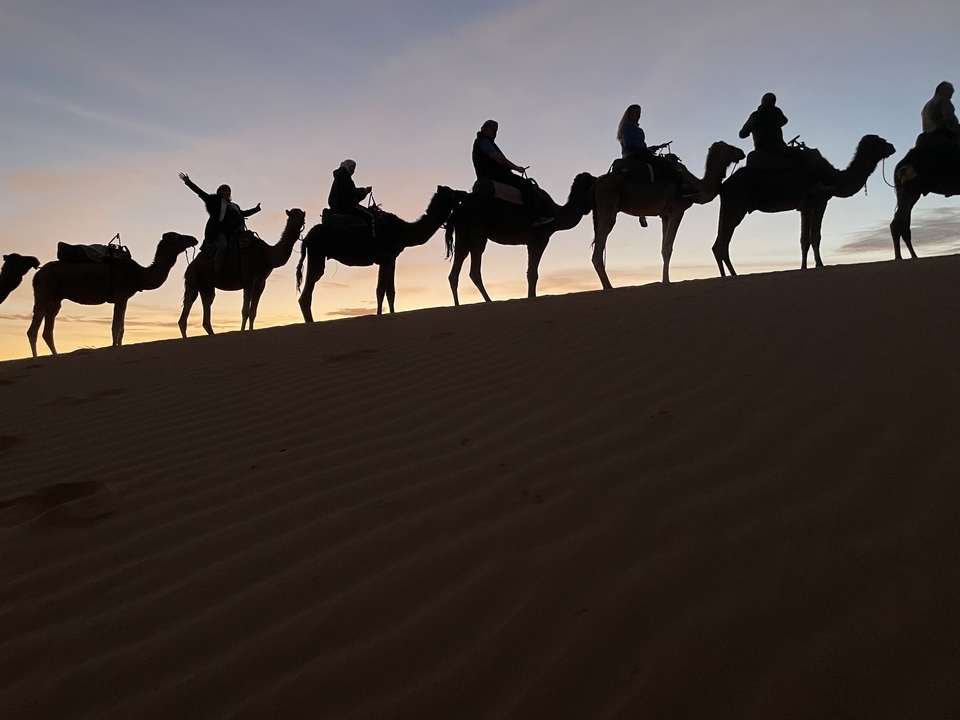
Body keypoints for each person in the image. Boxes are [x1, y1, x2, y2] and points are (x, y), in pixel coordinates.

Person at [472, 120, 553, 226]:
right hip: (495, 175)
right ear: (484, 129)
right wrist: (516, 168)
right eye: (492, 129)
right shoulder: (484, 142)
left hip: (488, 175)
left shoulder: (481, 142)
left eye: (496, 131)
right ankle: (535, 218)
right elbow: (497, 158)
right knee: (526, 185)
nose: (494, 133)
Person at [179, 173, 260, 275]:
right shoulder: (213, 200)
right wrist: (188, 182)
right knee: (222, 246)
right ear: (219, 192)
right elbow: (200, 193)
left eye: (228, 190)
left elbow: (243, 213)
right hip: (218, 232)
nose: (226, 192)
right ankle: (217, 271)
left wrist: (256, 209)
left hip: (235, 232)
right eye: (224, 190)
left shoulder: (234, 206)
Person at [616, 104, 697, 203]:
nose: (639, 115)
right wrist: (645, 149)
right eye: (636, 113)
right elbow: (629, 142)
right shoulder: (627, 126)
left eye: (639, 113)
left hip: (637, 153)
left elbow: (637, 144)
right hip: (635, 155)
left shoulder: (630, 127)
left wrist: (653, 148)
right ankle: (683, 188)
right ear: (629, 114)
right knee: (665, 163)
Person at [919, 81, 960, 149]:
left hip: (930, 140)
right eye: (950, 90)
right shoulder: (943, 99)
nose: (952, 93)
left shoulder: (926, 106)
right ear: (941, 89)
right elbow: (949, 118)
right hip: (946, 137)